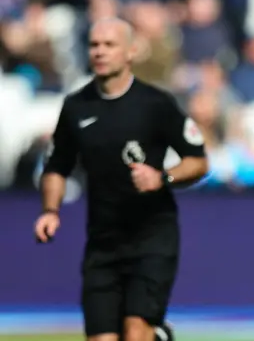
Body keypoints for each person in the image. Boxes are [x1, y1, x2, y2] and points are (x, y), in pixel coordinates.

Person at [33, 17, 209, 341]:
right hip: (102, 243)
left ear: (131, 51)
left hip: (152, 238)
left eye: (109, 45)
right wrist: (50, 211)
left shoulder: (156, 104)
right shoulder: (75, 107)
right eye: (94, 45)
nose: (100, 52)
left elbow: (198, 161)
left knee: (134, 332)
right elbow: (57, 166)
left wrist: (163, 177)